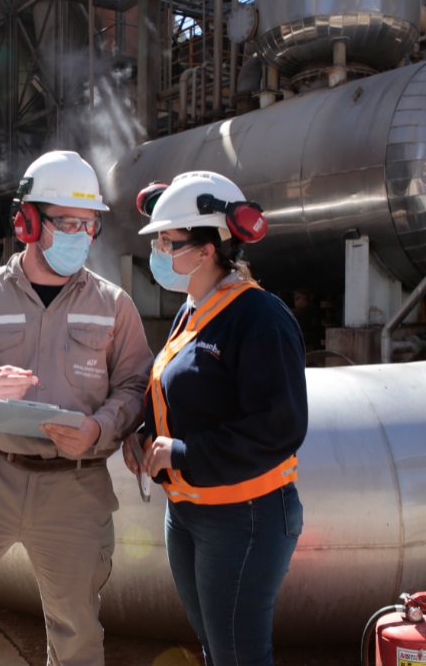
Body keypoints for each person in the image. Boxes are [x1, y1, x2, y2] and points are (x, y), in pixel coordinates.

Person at [0, 150, 154, 666]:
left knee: (77, 633)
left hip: (74, 485)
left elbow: (135, 387)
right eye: (68, 223)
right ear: (29, 221)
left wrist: (98, 428)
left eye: (90, 225)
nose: (81, 236)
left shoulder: (113, 306)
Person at [124, 171, 307, 666]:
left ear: (208, 250)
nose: (159, 251)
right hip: (189, 510)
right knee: (215, 647)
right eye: (158, 240)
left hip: (243, 516)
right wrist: (146, 434)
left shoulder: (258, 316)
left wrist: (181, 453)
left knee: (238, 655)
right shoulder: (193, 310)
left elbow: (281, 425)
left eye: (169, 241)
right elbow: (183, 393)